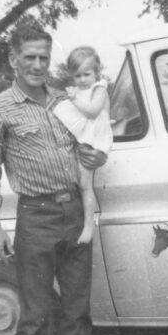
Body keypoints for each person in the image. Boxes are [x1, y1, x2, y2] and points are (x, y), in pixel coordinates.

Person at [0, 25, 111, 335]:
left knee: (77, 310)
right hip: (35, 218)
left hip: (75, 214)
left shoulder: (64, 100)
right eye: (29, 57)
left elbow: (91, 140)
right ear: (13, 60)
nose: (37, 65)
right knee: (34, 316)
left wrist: (95, 158)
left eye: (42, 57)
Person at [53, 46, 113, 244]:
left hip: (93, 141)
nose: (82, 80)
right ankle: (76, 223)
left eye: (87, 74)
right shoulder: (79, 92)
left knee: (85, 185)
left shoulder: (99, 89)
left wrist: (74, 99)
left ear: (96, 73)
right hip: (82, 138)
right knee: (77, 183)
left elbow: (93, 112)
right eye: (77, 76)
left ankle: (88, 226)